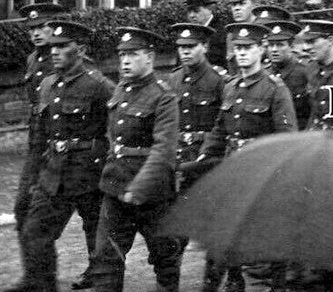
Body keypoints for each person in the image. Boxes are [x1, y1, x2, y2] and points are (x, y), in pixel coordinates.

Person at [198, 21, 297, 292]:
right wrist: (204, 155)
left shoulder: (275, 89)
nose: (242, 53)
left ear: (261, 50)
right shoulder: (231, 87)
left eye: (248, 48)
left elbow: (287, 141)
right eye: (238, 48)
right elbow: (220, 129)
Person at [19, 21, 114, 292]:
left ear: (81, 49)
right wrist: (36, 173)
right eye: (53, 47)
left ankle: (100, 280)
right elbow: (40, 133)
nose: (55, 52)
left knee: (97, 234)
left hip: (89, 173)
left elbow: (119, 126)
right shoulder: (48, 84)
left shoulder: (99, 85)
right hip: (54, 173)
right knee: (35, 233)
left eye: (62, 47)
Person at [89, 27, 181, 292]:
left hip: (152, 194)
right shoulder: (120, 90)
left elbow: (163, 150)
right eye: (122, 55)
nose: (125, 61)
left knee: (164, 256)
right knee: (106, 258)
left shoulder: (163, 96)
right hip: (116, 189)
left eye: (132, 54)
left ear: (150, 58)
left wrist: (139, 188)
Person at [3, 2, 79, 292]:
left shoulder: (66, 60)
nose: (36, 33)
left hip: (65, 150)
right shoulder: (33, 59)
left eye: (41, 27)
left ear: (54, 27)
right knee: (23, 208)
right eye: (32, 28)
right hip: (38, 144)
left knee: (82, 217)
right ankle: (37, 278)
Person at [168, 22, 229, 290]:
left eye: (191, 47)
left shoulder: (220, 81)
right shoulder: (172, 80)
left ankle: (211, 285)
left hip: (210, 164)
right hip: (181, 162)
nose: (185, 52)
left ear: (204, 47)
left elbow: (226, 124)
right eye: (181, 47)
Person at [259, 9, 312, 130]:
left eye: (280, 45)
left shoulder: (305, 72)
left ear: (291, 47)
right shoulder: (264, 72)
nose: (274, 50)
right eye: (271, 45)